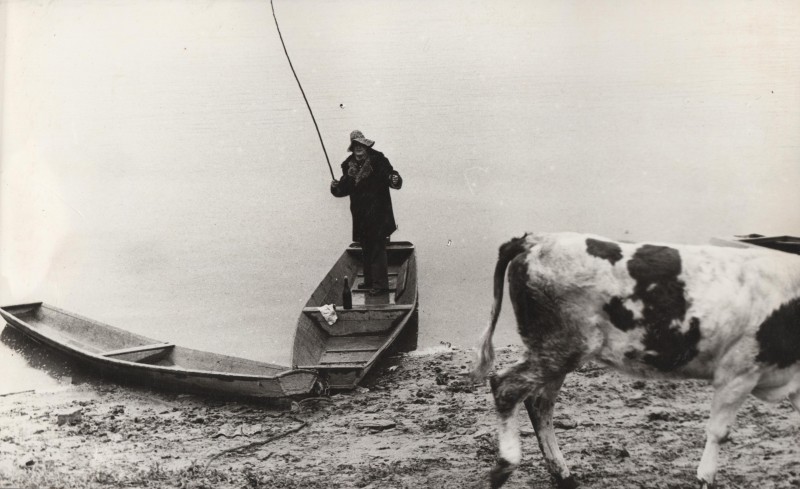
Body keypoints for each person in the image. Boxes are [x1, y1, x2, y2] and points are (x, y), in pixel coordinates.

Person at [330, 130, 403, 296]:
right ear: (352, 147)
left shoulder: (379, 160)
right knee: (366, 247)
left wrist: (395, 179)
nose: (358, 149)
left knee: (377, 247)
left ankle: (381, 285)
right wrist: (335, 187)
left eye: (361, 145)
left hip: (378, 213)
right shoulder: (348, 165)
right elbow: (344, 189)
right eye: (355, 146)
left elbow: (391, 175)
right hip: (361, 216)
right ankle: (369, 281)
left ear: (366, 146)